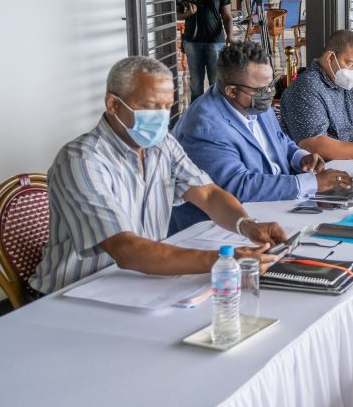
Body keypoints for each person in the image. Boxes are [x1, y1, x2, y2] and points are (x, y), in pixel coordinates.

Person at [28, 57, 285, 296]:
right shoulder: (82, 160)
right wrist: (224, 260)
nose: (161, 117)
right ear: (113, 104)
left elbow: (207, 194)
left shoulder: (163, 145)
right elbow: (126, 249)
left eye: (166, 107)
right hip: (77, 292)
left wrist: (248, 226)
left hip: (141, 281)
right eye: (151, 107)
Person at [170, 41, 353, 235]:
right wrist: (312, 183)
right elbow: (238, 185)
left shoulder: (252, 102)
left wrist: (300, 157)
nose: (268, 93)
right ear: (231, 91)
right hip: (219, 230)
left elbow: (280, 140)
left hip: (274, 208)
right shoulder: (204, 126)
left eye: (270, 85)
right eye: (260, 89)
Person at [280, 30, 353, 160]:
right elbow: (312, 144)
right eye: (351, 64)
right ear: (330, 58)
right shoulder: (305, 88)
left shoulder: (351, 86)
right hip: (324, 172)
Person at [176, 0, 233, 100]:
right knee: (195, 83)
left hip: (215, 42)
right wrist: (187, 13)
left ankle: (217, 113)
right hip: (192, 42)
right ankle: (196, 113)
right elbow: (175, 15)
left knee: (217, 81)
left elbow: (227, 16)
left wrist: (230, 35)